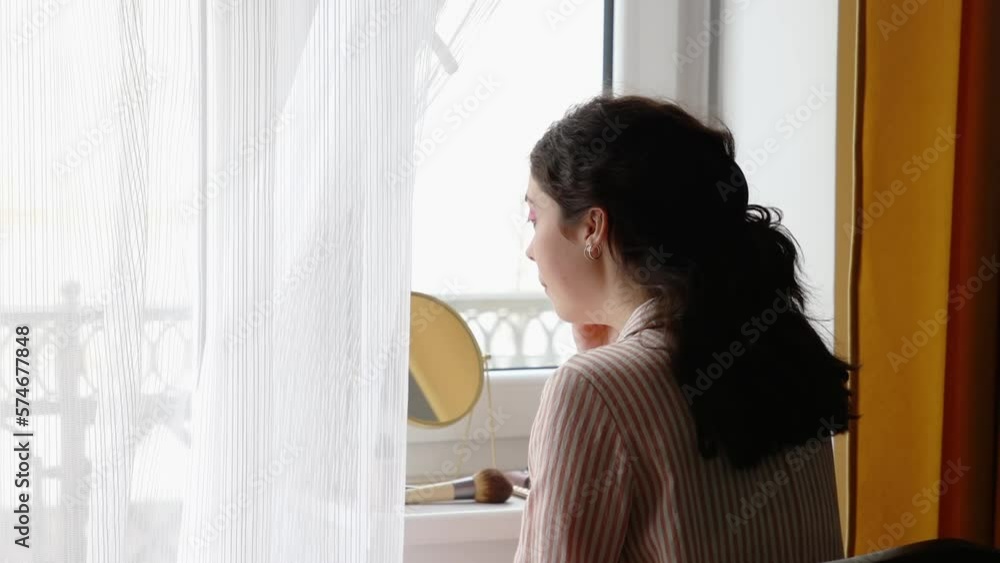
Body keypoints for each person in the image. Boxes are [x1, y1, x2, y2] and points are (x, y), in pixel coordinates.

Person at [513, 95, 854, 562]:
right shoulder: (779, 355)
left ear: (592, 227)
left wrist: (596, 373)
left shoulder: (592, 389)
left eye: (534, 217)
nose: (531, 249)